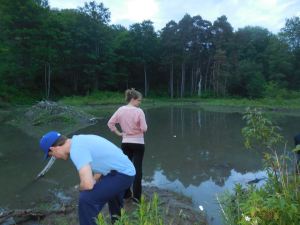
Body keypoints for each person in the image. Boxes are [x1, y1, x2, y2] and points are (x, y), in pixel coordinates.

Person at [39, 131, 135, 225]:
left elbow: (88, 185)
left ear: (53, 148)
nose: (55, 157)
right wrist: (95, 181)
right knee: (111, 196)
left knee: (86, 199)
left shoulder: (76, 150)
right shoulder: (79, 140)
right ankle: (118, 221)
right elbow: (100, 163)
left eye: (51, 155)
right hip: (123, 169)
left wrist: (80, 188)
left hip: (122, 174)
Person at [107, 88, 147, 202]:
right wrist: (137, 130)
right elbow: (144, 128)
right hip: (138, 143)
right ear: (133, 99)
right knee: (137, 169)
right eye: (139, 100)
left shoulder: (120, 110)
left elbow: (110, 123)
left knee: (125, 168)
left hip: (125, 143)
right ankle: (137, 197)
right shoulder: (139, 111)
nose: (140, 103)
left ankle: (126, 194)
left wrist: (119, 133)